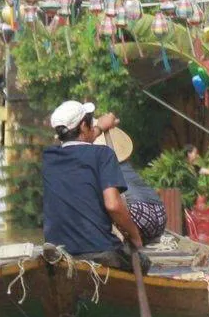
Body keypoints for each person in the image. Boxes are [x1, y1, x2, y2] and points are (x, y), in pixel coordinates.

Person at [40, 99, 144, 269]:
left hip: (60, 253)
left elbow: (75, 145)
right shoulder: (103, 155)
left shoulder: (49, 158)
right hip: (100, 250)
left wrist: (100, 127)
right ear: (83, 126)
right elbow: (113, 206)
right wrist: (135, 236)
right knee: (143, 262)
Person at [94, 113, 167, 246]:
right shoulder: (125, 164)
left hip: (138, 213)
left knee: (104, 199)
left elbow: (112, 205)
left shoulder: (103, 165)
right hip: (160, 213)